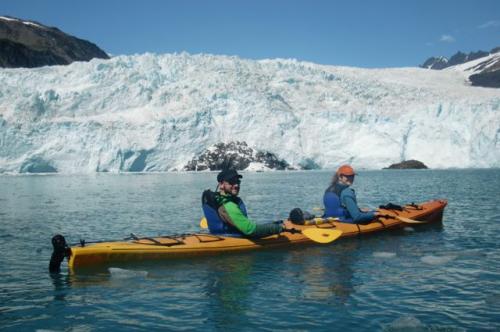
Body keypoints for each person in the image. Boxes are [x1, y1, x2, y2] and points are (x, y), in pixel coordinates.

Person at [201, 169, 285, 237]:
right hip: (233, 237)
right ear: (221, 184)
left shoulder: (217, 199)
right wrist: (276, 228)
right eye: (232, 182)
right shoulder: (228, 206)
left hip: (219, 234)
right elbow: (250, 230)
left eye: (238, 181)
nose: (236, 185)